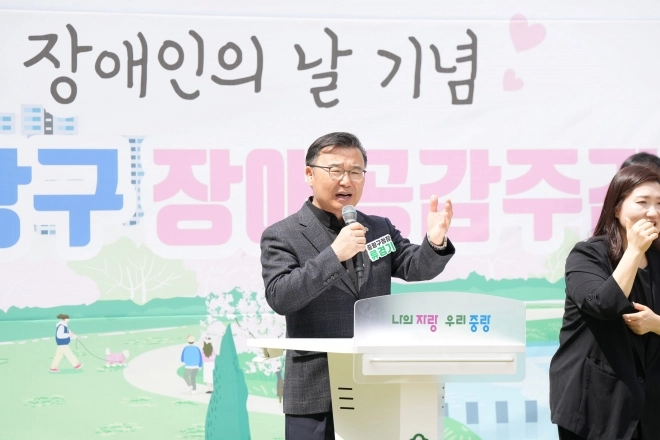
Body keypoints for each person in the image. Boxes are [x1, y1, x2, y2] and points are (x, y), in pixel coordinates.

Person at [260, 132, 455, 440]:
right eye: (335, 170)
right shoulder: (283, 234)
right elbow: (281, 296)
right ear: (309, 174)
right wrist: (334, 255)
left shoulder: (377, 228)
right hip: (315, 389)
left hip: (374, 383)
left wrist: (435, 241)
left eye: (356, 172)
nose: (346, 181)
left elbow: (415, 266)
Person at [549, 165, 660, 439]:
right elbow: (603, 304)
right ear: (617, 208)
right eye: (642, 202)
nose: (653, 212)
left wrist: (656, 324)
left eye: (659, 204)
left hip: (649, 412)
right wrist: (634, 251)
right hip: (595, 407)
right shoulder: (587, 255)